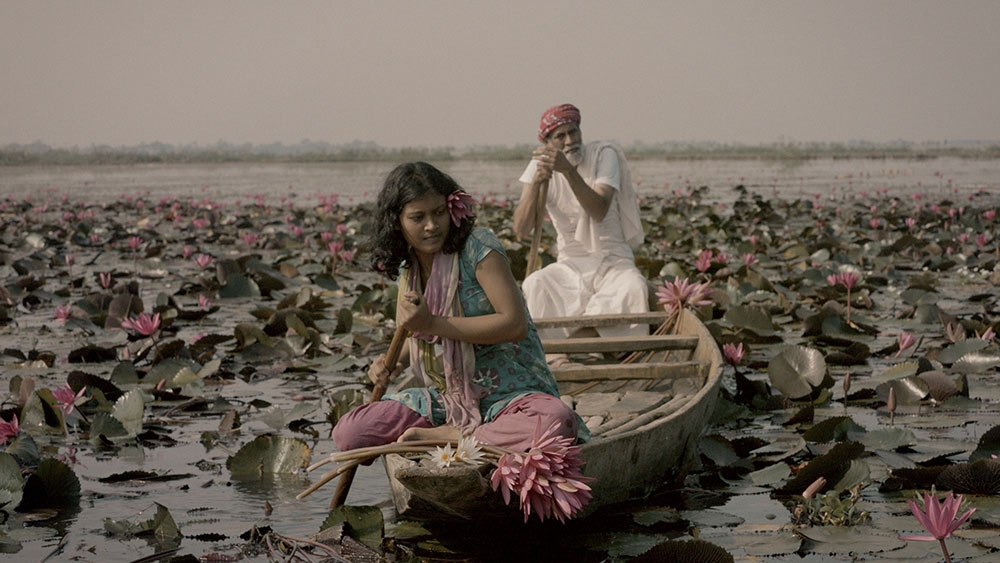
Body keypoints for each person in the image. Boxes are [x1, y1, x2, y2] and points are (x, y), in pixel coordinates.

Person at [332, 162, 585, 454]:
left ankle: (453, 438)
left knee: (557, 421)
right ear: (397, 222)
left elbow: (514, 325)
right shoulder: (408, 266)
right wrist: (392, 363)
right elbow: (417, 331)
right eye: (418, 217)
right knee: (349, 433)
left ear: (451, 208)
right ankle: (461, 433)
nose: (431, 225)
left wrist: (432, 324)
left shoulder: (478, 247)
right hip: (449, 398)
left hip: (511, 394)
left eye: (438, 213)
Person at [512, 103, 649, 352]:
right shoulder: (540, 163)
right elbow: (521, 230)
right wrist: (534, 185)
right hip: (571, 263)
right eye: (560, 136)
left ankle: (569, 350)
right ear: (548, 143)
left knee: (633, 287)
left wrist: (566, 170)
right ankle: (569, 352)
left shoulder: (603, 155)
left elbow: (598, 210)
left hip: (613, 260)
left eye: (573, 132)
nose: (569, 141)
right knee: (536, 284)